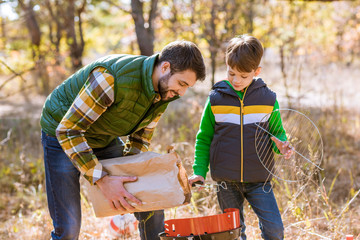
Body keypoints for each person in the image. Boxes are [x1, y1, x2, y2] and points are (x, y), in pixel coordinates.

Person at [40, 40, 206, 240]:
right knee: (69, 228)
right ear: (165, 67)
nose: (182, 92)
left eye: (188, 87)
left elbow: (140, 139)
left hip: (103, 135)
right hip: (63, 134)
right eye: (182, 83)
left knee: (152, 202)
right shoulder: (111, 78)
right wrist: (103, 180)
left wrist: (149, 180)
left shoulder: (165, 93)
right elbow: (68, 130)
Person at [188, 35, 292, 240]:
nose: (236, 80)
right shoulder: (215, 100)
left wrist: (282, 146)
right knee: (233, 234)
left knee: (275, 231)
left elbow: (277, 132)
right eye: (231, 73)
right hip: (227, 181)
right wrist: (199, 171)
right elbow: (204, 138)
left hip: (259, 179)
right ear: (226, 65)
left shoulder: (268, 100)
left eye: (243, 76)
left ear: (256, 72)